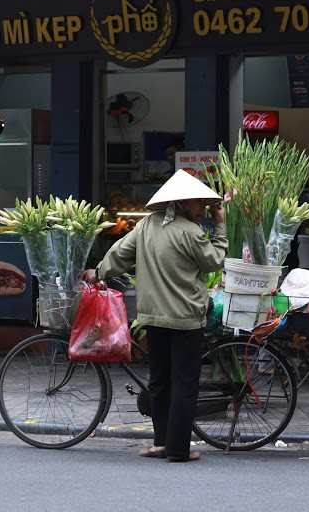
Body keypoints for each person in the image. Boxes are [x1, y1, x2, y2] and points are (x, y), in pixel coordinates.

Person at [83, 170, 227, 462]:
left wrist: (98, 273)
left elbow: (119, 254)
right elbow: (214, 262)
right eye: (200, 203)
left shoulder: (146, 226)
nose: (203, 209)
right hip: (186, 319)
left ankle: (161, 442)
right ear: (183, 203)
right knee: (184, 384)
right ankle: (177, 450)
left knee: (159, 381)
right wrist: (220, 226)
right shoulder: (192, 232)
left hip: (153, 319)